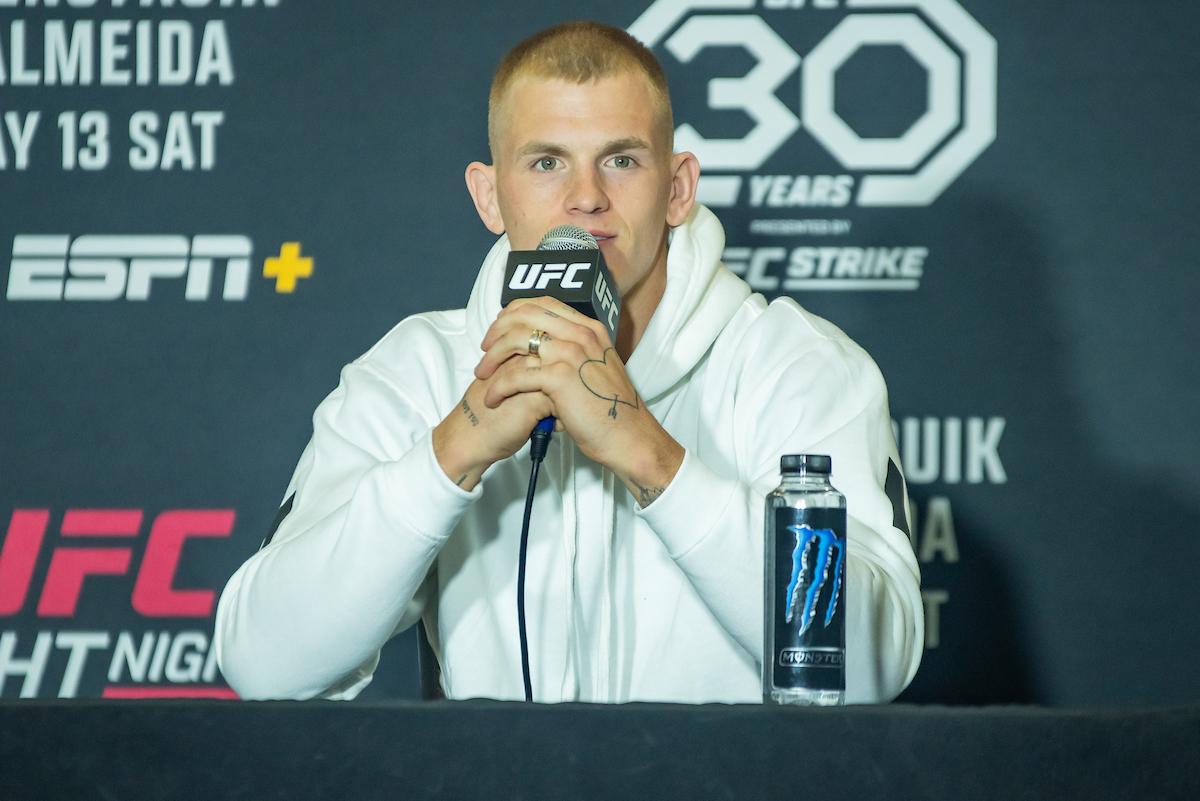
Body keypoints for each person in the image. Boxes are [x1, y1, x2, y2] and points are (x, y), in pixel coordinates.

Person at [215, 21, 923, 703]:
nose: (586, 196)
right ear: (490, 196)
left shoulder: (796, 366)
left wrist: (651, 457)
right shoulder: (417, 372)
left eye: (621, 159)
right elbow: (264, 664)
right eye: (547, 162)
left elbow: (863, 667)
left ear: (677, 189)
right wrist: (451, 454)